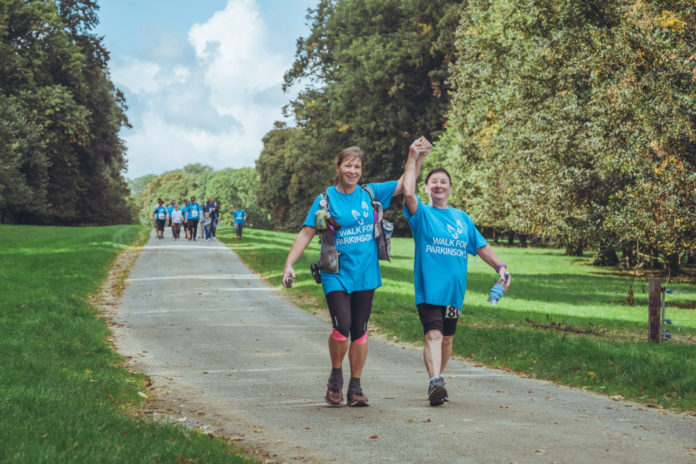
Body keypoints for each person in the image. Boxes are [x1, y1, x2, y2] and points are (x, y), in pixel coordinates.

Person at [280, 144, 411, 407]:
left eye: (357, 166)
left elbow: (404, 184)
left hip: (366, 273)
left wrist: (413, 155)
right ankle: (336, 376)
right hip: (335, 272)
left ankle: (356, 388)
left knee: (360, 331)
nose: (353, 171)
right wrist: (289, 264)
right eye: (348, 165)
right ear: (337, 167)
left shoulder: (369, 194)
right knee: (343, 326)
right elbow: (307, 232)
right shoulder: (325, 200)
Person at [402, 137, 511, 406]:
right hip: (429, 289)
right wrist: (415, 158)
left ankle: (438, 379)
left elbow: (481, 246)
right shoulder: (421, 214)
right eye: (433, 181)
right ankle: (434, 382)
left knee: (447, 338)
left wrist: (501, 267)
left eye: (443, 182)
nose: (438, 185)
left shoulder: (462, 218)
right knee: (433, 334)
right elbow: (406, 191)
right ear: (426, 187)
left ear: (450, 189)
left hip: (454, 292)